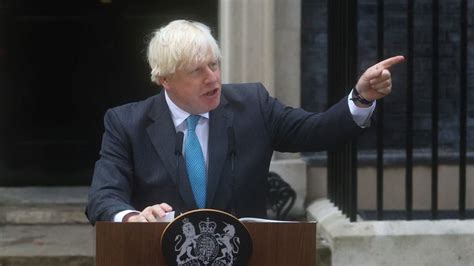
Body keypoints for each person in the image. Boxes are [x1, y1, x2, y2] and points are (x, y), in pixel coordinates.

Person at [85, 20, 404, 224]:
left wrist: (361, 97)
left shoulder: (253, 105)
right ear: (164, 79)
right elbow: (103, 197)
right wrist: (132, 219)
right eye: (197, 70)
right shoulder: (126, 123)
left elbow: (316, 132)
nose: (213, 78)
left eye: (214, 64)